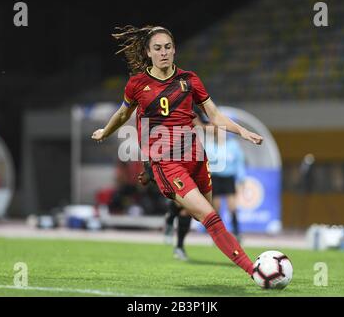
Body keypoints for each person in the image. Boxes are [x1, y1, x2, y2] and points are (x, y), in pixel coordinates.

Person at [92, 25, 263, 278]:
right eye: (158, 48)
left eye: (168, 47)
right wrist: (106, 131)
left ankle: (174, 210)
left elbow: (214, 116)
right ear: (148, 53)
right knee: (209, 216)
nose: (164, 53)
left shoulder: (189, 80)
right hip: (166, 162)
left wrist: (241, 131)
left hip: (195, 156)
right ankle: (255, 272)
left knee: (200, 214)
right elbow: (123, 114)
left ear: (175, 50)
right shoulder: (138, 84)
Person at [138, 161, 191, 261]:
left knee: (187, 208)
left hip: (187, 171)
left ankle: (179, 245)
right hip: (170, 171)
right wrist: (149, 171)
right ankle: (171, 220)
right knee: (182, 202)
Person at [205, 127, 247, 242]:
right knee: (216, 207)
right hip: (215, 178)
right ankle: (217, 234)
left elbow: (239, 162)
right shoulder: (209, 146)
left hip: (229, 178)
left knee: (232, 206)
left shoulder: (233, 146)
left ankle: (237, 232)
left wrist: (241, 179)